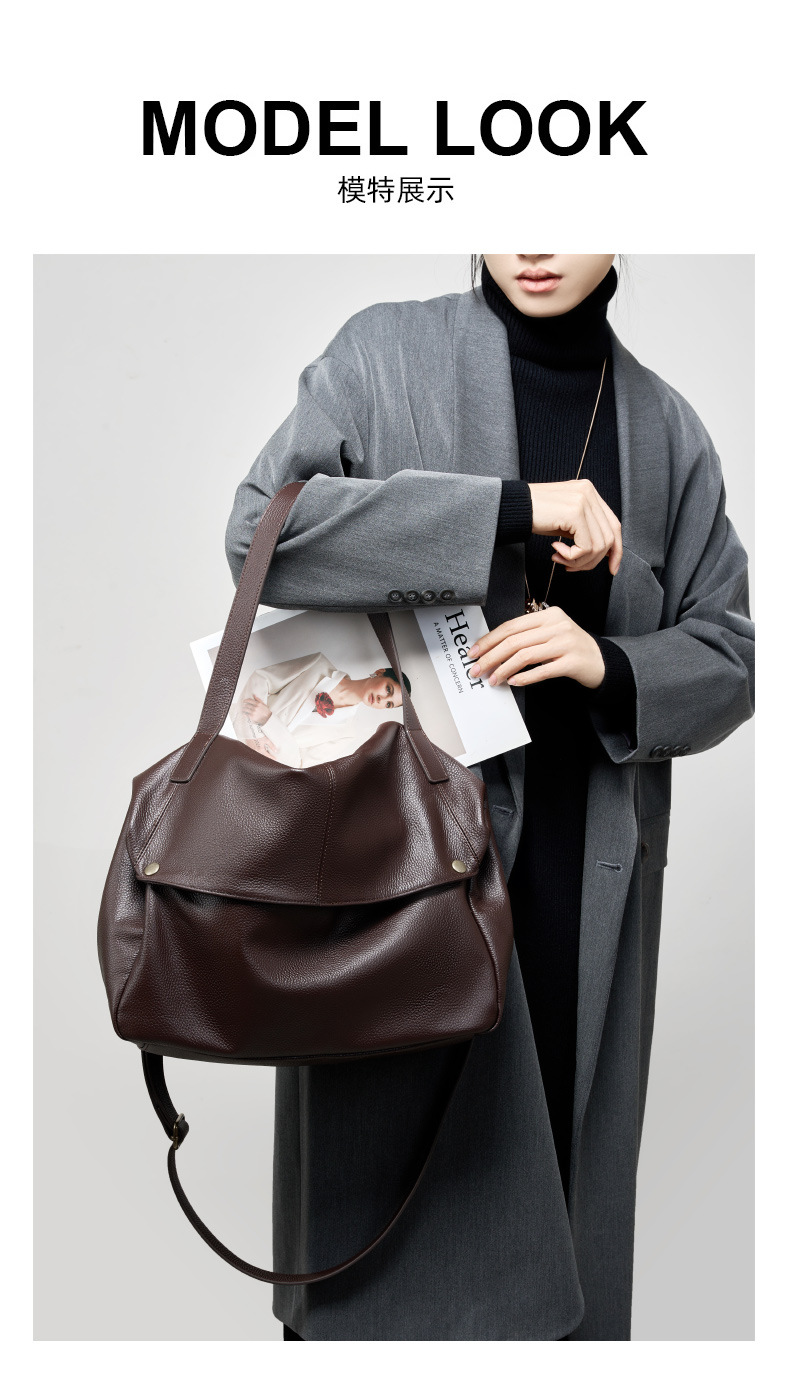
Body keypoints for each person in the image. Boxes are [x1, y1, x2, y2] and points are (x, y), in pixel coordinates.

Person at [224, 255, 755, 1341]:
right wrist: (512, 510)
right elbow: (261, 535)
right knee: (379, 1230)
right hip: (396, 869)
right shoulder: (385, 354)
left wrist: (611, 662)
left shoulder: (665, 429)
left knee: (557, 1234)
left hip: (580, 885)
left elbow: (730, 654)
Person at [229, 654, 409, 767]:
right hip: (232, 727)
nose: (382, 699)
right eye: (388, 689)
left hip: (257, 765)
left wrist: (268, 721)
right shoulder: (318, 665)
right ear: (379, 672)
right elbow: (263, 678)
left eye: (389, 704)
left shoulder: (346, 734)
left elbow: (299, 764)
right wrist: (252, 734)